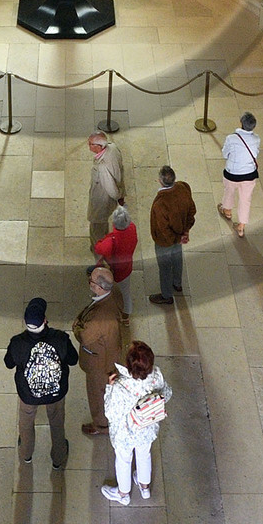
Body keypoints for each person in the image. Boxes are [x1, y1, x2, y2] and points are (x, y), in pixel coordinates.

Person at [4, 296, 76, 468]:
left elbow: (8, 363)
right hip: (56, 393)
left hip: (28, 394)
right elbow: (73, 360)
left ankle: (26, 453)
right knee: (57, 423)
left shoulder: (17, 342)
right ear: (45, 320)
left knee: (26, 423)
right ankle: (58, 458)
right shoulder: (60, 338)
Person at [101, 340, 171, 506]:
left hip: (125, 433)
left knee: (124, 461)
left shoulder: (120, 385)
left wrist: (109, 387)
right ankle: (144, 487)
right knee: (144, 455)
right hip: (147, 428)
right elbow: (167, 394)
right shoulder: (156, 376)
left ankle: (123, 494)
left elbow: (110, 413)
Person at [73, 264, 127, 437]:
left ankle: (101, 425)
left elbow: (84, 336)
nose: (89, 282)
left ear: (99, 287)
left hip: (99, 363)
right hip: (111, 351)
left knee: (97, 394)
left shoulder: (99, 318)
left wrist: (76, 325)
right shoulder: (114, 292)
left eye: (91, 281)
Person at [148, 166, 196, 305]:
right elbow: (192, 211)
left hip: (164, 241)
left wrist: (176, 238)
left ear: (160, 181)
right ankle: (177, 283)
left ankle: (166, 295)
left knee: (164, 267)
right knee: (177, 258)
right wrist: (185, 231)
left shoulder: (160, 204)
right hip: (180, 233)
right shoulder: (183, 187)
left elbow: (163, 229)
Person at [218, 113, 261, 237]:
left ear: (241, 123)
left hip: (232, 173)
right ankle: (241, 227)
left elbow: (225, 154)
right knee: (245, 200)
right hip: (249, 174)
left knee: (229, 191)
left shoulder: (231, 138)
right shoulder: (257, 139)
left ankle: (227, 211)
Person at [94, 203, 139, 316]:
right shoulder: (132, 228)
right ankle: (127, 313)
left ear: (114, 223)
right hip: (127, 267)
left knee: (103, 288)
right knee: (126, 292)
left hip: (114, 269)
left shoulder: (112, 240)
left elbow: (98, 248)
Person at [87, 131, 124, 244]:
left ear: (99, 146)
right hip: (107, 199)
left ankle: (99, 250)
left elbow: (111, 188)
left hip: (101, 201)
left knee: (97, 226)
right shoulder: (113, 148)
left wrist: (118, 197)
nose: (88, 145)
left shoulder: (102, 167)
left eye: (91, 144)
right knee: (102, 225)